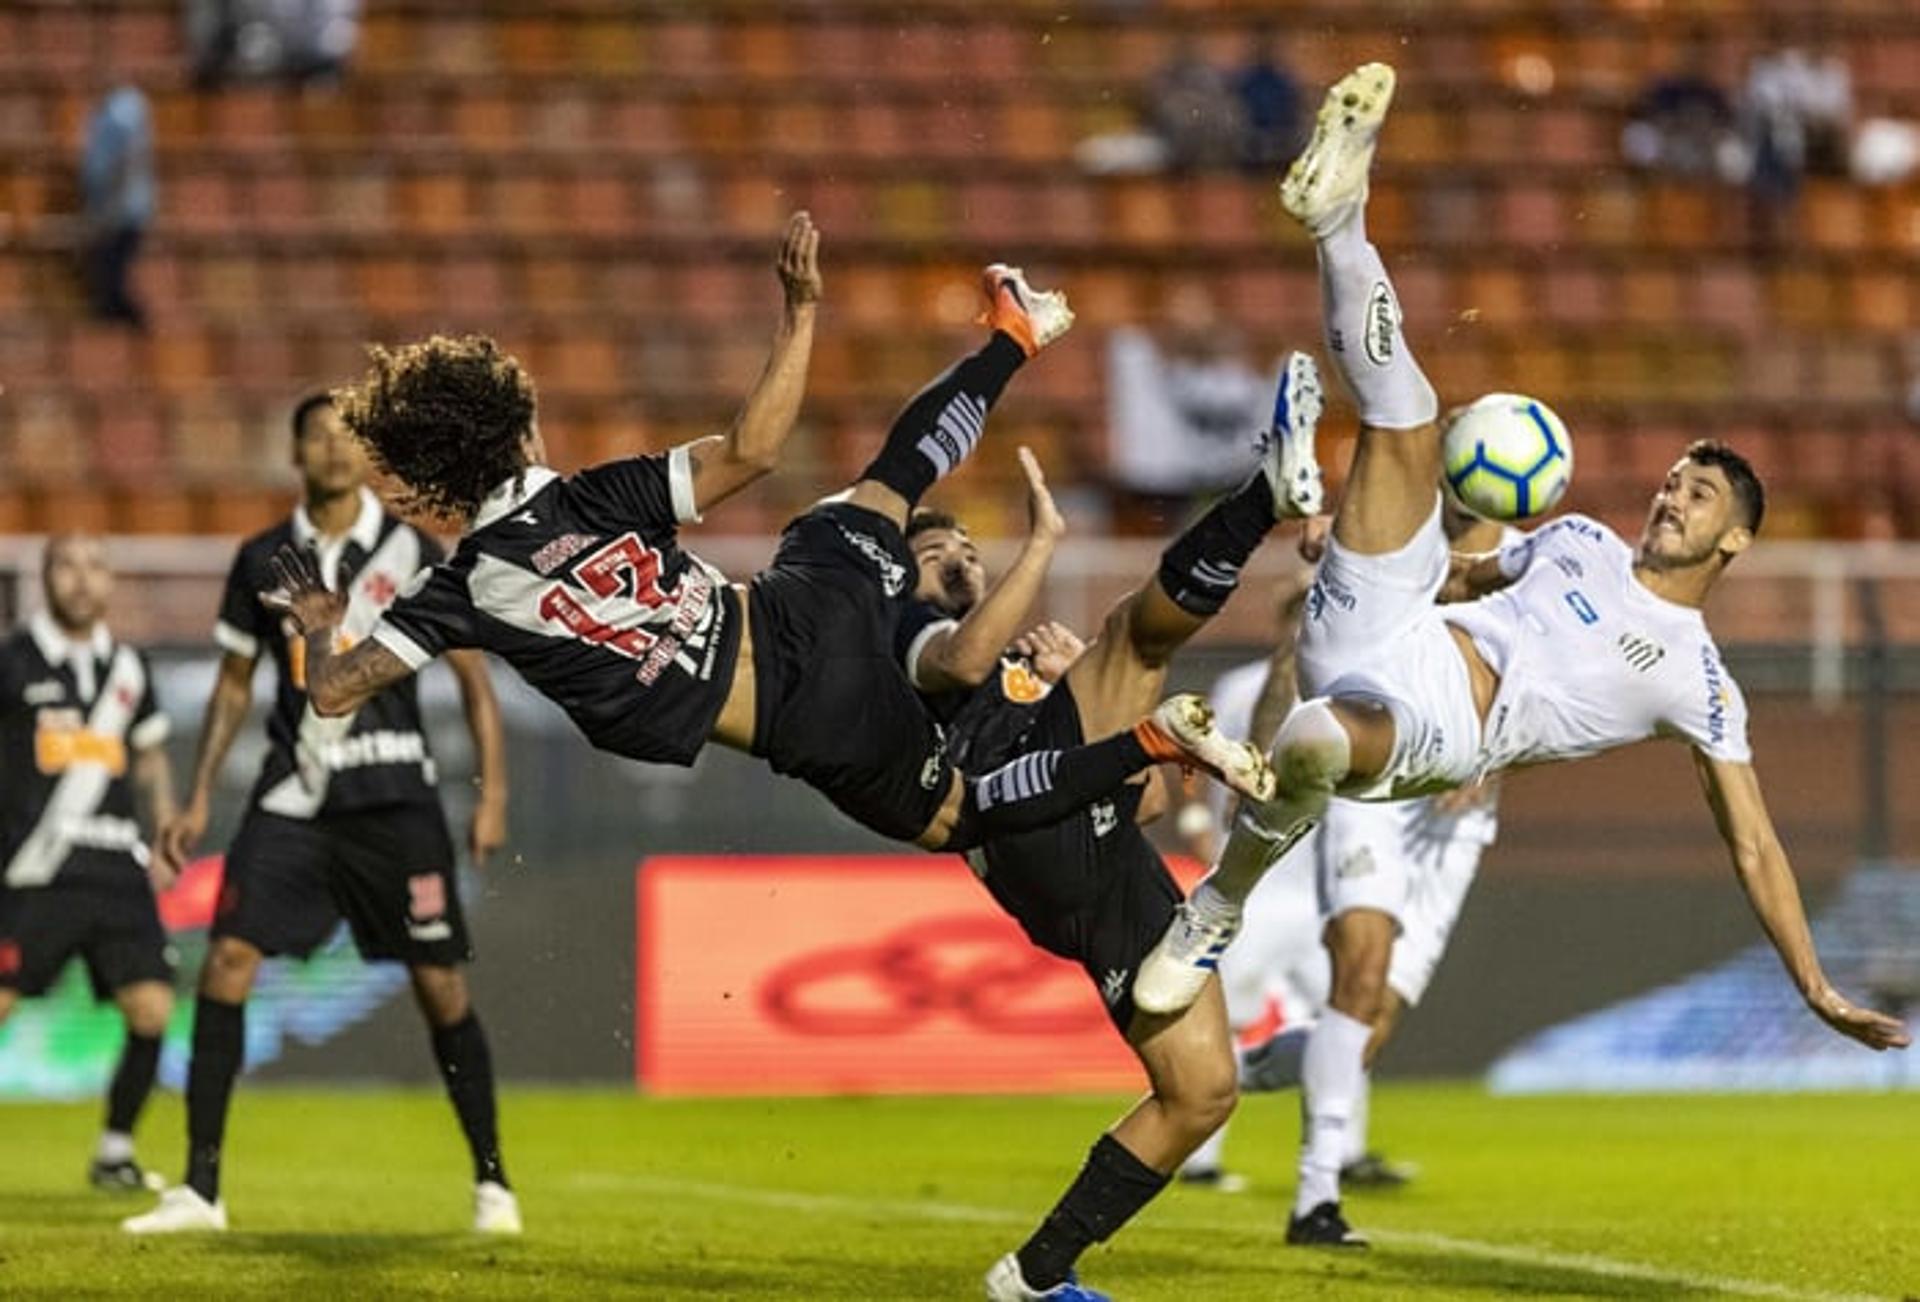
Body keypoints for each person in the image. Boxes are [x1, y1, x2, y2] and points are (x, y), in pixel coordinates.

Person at [1132, 61, 1911, 1246]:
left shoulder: (1699, 678)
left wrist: (1812, 985)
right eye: (1675, 478)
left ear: (1737, 539)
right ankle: (1338, 215)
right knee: (1407, 415)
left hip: (1443, 730)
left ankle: (1222, 905)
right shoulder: (1582, 537)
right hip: (1395, 623)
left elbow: (1751, 837)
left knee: (1315, 750)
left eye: (1699, 495)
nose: (1673, 495)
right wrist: (1370, 549)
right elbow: (1465, 571)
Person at [260, 215, 1275, 873]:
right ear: (512, 434)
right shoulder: (592, 493)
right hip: (799, 598)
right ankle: (1011, 335)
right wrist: (800, 311)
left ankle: (1146, 742)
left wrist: (318, 623)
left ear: (438, 477)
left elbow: (334, 689)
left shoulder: (463, 587)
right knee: (887, 487)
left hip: (802, 714)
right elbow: (753, 448)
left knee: (963, 820)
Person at [893, 353, 1328, 1301]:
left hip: (1096, 873)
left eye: (969, 545)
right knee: (1136, 635)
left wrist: (1068, 691)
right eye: (936, 556)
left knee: (1201, 1093)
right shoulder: (910, 654)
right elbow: (960, 669)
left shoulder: (1015, 658)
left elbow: (1154, 803)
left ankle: (1036, 1275)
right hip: (1020, 821)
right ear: (901, 585)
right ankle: (1264, 493)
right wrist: (1061, 634)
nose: (962, 557)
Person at [122, 391, 515, 1235]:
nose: (333, 451)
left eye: (346, 437)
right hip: (293, 799)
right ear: (295, 453)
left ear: (364, 452)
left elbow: (474, 685)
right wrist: (195, 797)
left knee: (441, 986)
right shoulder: (264, 557)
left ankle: (493, 1184)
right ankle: (201, 1190)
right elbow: (234, 685)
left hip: (393, 796)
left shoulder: (411, 548)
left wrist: (495, 795)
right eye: (317, 437)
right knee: (226, 961)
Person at [0, 535, 177, 1190]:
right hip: (34, 869)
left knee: (153, 1010)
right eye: (67, 566)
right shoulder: (14, 661)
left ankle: (114, 1152)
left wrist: (164, 827)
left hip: (113, 867)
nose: (81, 580)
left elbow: (151, 755)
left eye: (94, 566)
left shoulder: (129, 669)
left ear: (110, 583)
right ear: (45, 578)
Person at [77, 86, 155, 328]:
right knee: (106, 276)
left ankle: (135, 330)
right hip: (109, 208)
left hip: (120, 211)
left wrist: (109, 210)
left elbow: (125, 160)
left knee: (111, 277)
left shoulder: (125, 109)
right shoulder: (101, 114)